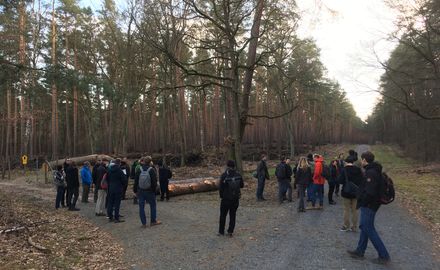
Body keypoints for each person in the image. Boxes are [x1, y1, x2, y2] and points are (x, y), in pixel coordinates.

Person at [347, 151, 390, 265]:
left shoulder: (371, 173)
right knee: (364, 227)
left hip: (369, 204)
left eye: (362, 159)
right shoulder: (374, 170)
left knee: (368, 228)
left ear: (365, 160)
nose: (361, 161)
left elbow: (370, 192)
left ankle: (384, 255)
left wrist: (362, 201)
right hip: (371, 204)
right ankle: (360, 251)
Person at [218, 160, 244, 237]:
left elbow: (221, 188)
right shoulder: (238, 175)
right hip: (235, 198)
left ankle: (221, 231)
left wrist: (221, 196)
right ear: (234, 166)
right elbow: (242, 185)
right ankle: (230, 232)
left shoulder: (224, 175)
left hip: (226, 199)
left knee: (223, 215)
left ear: (227, 166)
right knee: (233, 215)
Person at [135, 156, 162, 228]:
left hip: (140, 191)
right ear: (150, 162)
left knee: (141, 207)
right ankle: (153, 221)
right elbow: (154, 182)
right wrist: (153, 190)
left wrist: (135, 190)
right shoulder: (151, 170)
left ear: (143, 161)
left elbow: (136, 181)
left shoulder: (139, 169)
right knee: (153, 205)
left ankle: (143, 224)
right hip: (149, 191)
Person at [338, 156, 363, 232]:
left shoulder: (344, 170)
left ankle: (346, 225)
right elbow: (361, 181)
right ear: (353, 162)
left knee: (346, 210)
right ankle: (354, 227)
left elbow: (340, 181)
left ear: (346, 162)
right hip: (355, 193)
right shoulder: (358, 170)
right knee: (355, 210)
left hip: (346, 192)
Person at [107, 158, 127, 223]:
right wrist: (122, 185)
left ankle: (110, 216)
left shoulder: (109, 170)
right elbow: (124, 180)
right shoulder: (120, 170)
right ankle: (116, 218)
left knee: (110, 203)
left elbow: (107, 179)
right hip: (118, 188)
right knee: (117, 203)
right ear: (119, 163)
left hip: (111, 188)